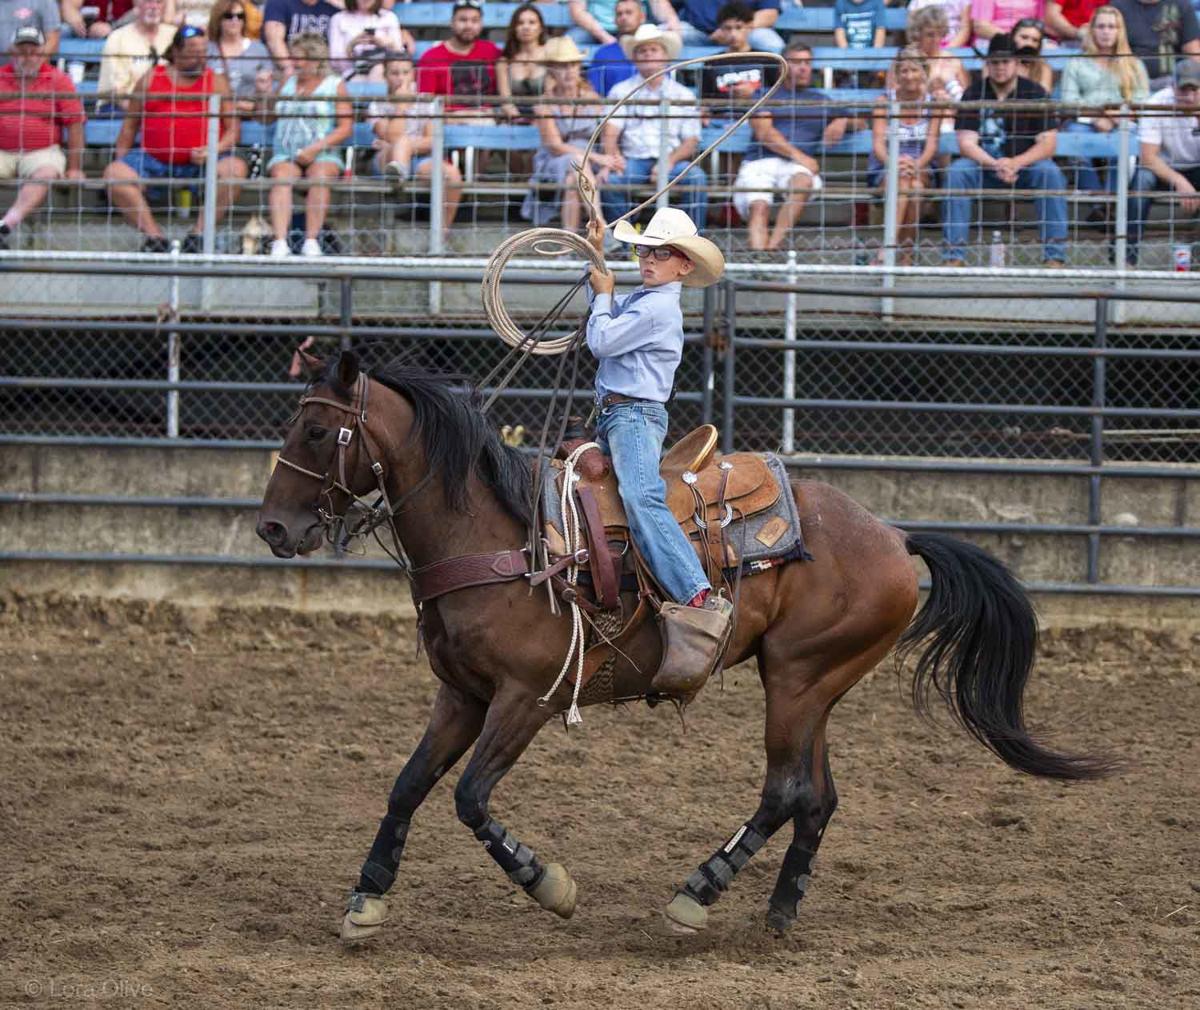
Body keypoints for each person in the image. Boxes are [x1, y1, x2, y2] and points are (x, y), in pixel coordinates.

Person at [584, 206, 733, 698]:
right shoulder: (645, 300)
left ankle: (698, 594)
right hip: (616, 413)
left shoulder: (657, 307)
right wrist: (597, 254)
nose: (648, 259)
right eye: (643, 250)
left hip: (631, 416)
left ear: (683, 265)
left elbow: (601, 339)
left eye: (661, 252)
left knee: (641, 494)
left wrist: (603, 295)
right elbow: (605, 303)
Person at [103, 24, 248, 252]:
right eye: (193, 52)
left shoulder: (216, 81)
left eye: (203, 52)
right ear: (176, 52)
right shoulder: (151, 79)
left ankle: (198, 235)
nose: (200, 58)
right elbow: (129, 127)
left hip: (203, 161)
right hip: (153, 158)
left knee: (235, 169)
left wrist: (214, 149)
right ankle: (155, 239)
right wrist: (121, 161)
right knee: (115, 174)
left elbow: (233, 129)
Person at [942, 32, 1067, 265]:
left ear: (1017, 63)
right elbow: (966, 142)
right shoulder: (974, 93)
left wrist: (1016, 162)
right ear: (987, 64)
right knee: (957, 172)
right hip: (984, 166)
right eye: (995, 62)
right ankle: (954, 255)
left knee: (1050, 173)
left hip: (1026, 167)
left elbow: (1048, 143)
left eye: (1006, 61)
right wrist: (995, 163)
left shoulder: (1035, 93)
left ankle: (1054, 256)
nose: (1000, 67)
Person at [732, 42, 849, 251]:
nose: (803, 67)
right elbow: (765, 133)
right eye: (796, 62)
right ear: (782, 67)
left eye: (807, 62)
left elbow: (861, 121)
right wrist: (800, 157)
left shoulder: (820, 100)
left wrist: (842, 120)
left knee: (804, 181)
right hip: (761, 161)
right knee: (759, 205)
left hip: (795, 168)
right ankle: (760, 257)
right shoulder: (765, 95)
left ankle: (772, 250)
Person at [601, 24, 707, 231]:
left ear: (665, 56)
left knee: (697, 178)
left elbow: (692, 139)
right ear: (635, 57)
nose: (648, 54)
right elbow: (611, 131)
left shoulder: (682, 94)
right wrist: (613, 159)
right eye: (642, 50)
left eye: (654, 49)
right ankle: (628, 242)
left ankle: (691, 242)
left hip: (671, 160)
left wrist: (668, 162)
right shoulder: (621, 90)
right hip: (633, 160)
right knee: (609, 182)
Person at [264, 32, 351, 256]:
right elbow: (269, 115)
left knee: (320, 177)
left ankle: (311, 240)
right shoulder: (287, 82)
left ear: (314, 60)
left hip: (323, 152)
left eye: (298, 58)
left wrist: (314, 149)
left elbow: (344, 128)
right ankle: (280, 241)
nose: (293, 62)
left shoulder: (335, 85)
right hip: (286, 151)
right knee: (281, 177)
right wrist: (262, 95)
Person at [0, 26, 84, 248]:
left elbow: (75, 123)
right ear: (11, 52)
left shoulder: (58, 79)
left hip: (42, 151)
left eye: (33, 50)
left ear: (42, 53)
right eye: (22, 50)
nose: (28, 56)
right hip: (2, 150)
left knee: (46, 172)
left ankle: (5, 225)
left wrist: (74, 168)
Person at [522, 35, 616, 229]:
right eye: (561, 66)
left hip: (588, 163)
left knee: (573, 181)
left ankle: (567, 248)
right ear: (551, 70)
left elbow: (607, 134)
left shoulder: (592, 98)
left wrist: (608, 161)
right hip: (555, 161)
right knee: (576, 163)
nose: (568, 71)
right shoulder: (544, 103)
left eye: (572, 65)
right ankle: (600, 225)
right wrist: (599, 159)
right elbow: (555, 146)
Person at [1060, 5, 1148, 206]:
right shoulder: (1077, 63)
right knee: (1072, 138)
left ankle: (1113, 203)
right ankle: (1099, 204)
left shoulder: (1133, 64)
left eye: (1112, 26)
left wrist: (1117, 116)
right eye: (1101, 27)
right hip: (1084, 122)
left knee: (1126, 144)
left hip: (1123, 122)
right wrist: (1097, 117)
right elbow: (1068, 101)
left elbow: (1142, 101)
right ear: (1092, 30)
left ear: (1120, 31)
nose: (1106, 32)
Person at [367, 52, 463, 234]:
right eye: (394, 73)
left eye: (405, 73)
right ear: (385, 76)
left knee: (452, 175)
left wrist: (405, 146)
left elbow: (431, 141)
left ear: (413, 74)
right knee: (400, 142)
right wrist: (402, 106)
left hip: (419, 158)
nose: (400, 78)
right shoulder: (377, 104)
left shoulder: (426, 101)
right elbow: (391, 136)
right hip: (385, 160)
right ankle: (398, 173)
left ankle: (443, 231)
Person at [870, 47, 942, 264]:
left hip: (922, 166)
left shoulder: (934, 104)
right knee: (908, 185)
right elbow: (878, 144)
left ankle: (889, 249)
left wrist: (916, 165)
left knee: (916, 186)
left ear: (924, 72)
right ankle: (904, 253)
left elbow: (931, 145)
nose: (909, 76)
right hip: (886, 165)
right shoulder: (884, 102)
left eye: (914, 70)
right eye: (904, 71)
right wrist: (895, 163)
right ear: (897, 73)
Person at [1124, 57, 1200, 265]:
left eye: (1195, 90)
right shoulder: (1156, 103)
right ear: (1173, 86)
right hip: (1163, 168)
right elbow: (1148, 157)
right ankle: (1126, 259)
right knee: (1141, 183)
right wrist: (1180, 181)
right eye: (1184, 90)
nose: (1189, 96)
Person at [416, 0, 502, 120]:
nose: (468, 26)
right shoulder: (431, 58)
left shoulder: (492, 51)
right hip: (447, 121)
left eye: (474, 21)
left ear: (481, 24)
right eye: (463, 20)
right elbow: (425, 103)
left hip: (488, 119)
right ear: (452, 23)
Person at [700, 2, 779, 124]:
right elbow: (705, 101)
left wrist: (754, 94)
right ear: (720, 29)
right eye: (727, 28)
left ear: (750, 26)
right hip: (721, 122)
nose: (733, 34)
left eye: (738, 27)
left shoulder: (766, 59)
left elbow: (779, 95)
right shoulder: (712, 62)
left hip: (758, 120)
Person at [97, 0, 177, 105]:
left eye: (159, 2)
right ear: (136, 6)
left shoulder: (174, 35)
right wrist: (141, 112)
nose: (154, 7)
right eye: (148, 2)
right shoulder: (118, 38)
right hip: (120, 105)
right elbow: (116, 90)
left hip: (164, 105)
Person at [1112, 0, 1200, 88]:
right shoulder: (1118, 6)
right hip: (1130, 81)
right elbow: (1109, 49)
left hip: (1172, 85)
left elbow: (1193, 52)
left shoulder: (1181, 4)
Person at [651, 0, 785, 54]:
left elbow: (770, 13)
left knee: (772, 44)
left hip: (745, 32)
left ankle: (775, 90)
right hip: (698, 32)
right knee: (659, 34)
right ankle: (665, 88)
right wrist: (671, 18)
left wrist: (736, 29)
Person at [208, 0, 272, 110]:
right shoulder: (207, 49)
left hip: (249, 114)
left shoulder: (258, 49)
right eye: (229, 16)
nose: (235, 20)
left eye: (240, 16)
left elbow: (270, 86)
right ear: (218, 19)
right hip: (215, 113)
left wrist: (262, 89)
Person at [328, 0, 411, 83]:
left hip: (385, 73)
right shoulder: (338, 19)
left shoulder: (389, 17)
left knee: (379, 70)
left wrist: (389, 44)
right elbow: (335, 64)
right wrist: (351, 46)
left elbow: (401, 59)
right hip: (351, 74)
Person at [905, 5, 969, 104]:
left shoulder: (953, 61)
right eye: (930, 35)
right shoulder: (905, 59)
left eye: (940, 34)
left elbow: (967, 97)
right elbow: (894, 93)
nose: (936, 40)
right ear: (918, 33)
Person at [496, 3, 547, 122]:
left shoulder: (550, 55)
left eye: (532, 22)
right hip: (512, 119)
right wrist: (517, 119)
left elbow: (551, 95)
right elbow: (505, 101)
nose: (526, 27)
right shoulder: (504, 62)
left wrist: (538, 121)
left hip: (545, 117)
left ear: (541, 27)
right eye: (520, 23)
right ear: (514, 28)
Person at [262, 0, 339, 77]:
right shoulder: (279, 2)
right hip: (288, 65)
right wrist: (288, 67)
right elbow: (274, 41)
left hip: (325, 68)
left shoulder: (333, 5)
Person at [587, 0, 643, 97]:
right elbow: (594, 92)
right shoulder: (603, 54)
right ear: (614, 20)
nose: (624, 17)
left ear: (642, 17)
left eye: (629, 12)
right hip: (612, 109)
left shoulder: (652, 52)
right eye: (619, 14)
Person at [970, 0, 1044, 47]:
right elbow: (981, 27)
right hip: (993, 38)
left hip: (1028, 38)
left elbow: (1041, 24)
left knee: (1050, 49)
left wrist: (1025, 39)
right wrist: (1013, 39)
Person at [906, 0, 972, 48]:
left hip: (955, 43)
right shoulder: (917, 2)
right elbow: (913, 29)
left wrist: (948, 50)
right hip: (926, 44)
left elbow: (965, 29)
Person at [1013, 16, 1053, 90]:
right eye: (1024, 37)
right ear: (1013, 37)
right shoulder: (997, 62)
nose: (1029, 43)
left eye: (1035, 40)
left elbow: (1044, 98)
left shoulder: (1043, 68)